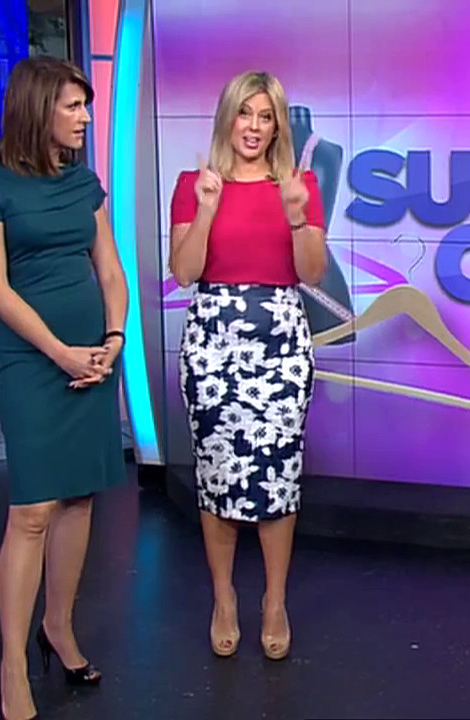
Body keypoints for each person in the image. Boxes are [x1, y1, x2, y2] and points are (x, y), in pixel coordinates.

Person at [0, 56, 129, 719]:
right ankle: (12, 665)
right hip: (35, 362)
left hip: (92, 357)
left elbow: (110, 270)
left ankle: (57, 628)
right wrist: (60, 352)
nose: (85, 117)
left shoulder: (84, 183)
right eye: (73, 106)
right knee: (33, 510)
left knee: (79, 500)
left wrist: (114, 339)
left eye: (86, 106)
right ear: (39, 110)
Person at [168, 70, 328, 661]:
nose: (254, 127)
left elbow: (312, 273)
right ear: (227, 118)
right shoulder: (195, 185)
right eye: (245, 113)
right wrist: (207, 211)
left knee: (277, 476)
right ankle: (224, 598)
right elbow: (185, 272)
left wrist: (297, 216)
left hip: (280, 342)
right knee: (217, 476)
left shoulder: (300, 187)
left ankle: (275, 601)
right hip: (213, 342)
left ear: (278, 126)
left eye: (266, 117)